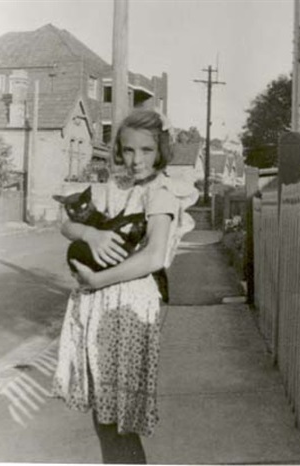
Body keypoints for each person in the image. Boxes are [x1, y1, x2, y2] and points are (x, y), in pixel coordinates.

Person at [52, 109, 198, 464]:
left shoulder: (161, 193)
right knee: (103, 413)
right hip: (95, 304)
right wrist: (89, 233)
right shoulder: (114, 188)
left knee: (121, 419)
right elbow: (64, 219)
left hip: (126, 308)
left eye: (147, 151)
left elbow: (153, 258)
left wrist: (97, 279)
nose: (137, 160)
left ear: (161, 150)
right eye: (129, 150)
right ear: (118, 149)